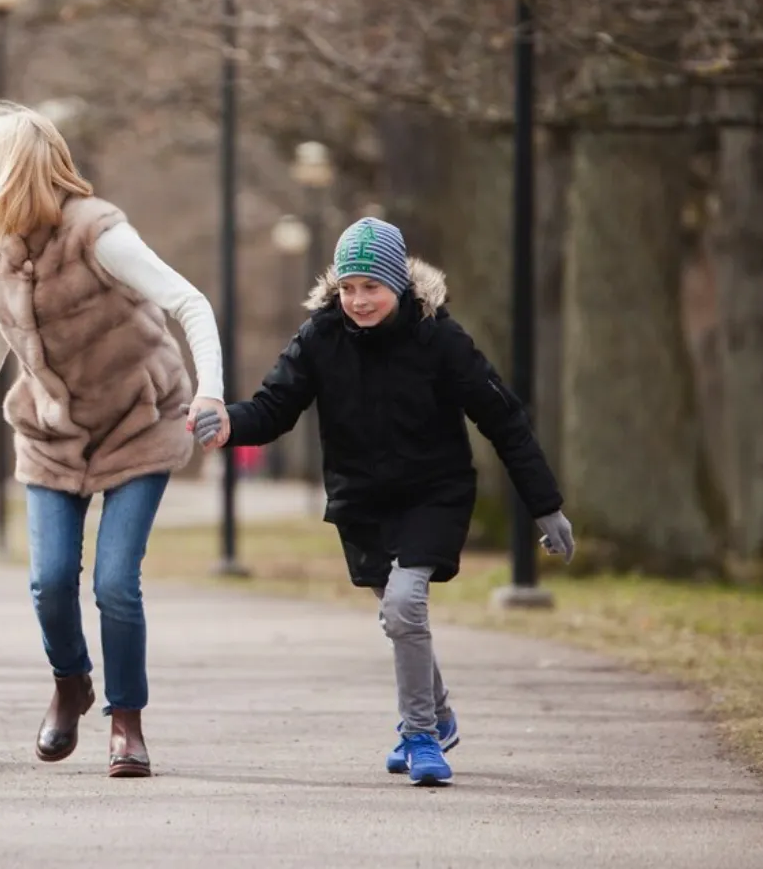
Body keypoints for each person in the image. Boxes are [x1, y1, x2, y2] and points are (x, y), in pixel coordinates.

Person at [202, 216, 576, 786]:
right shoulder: (320, 337)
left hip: (434, 492)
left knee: (404, 604)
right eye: (347, 288)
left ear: (398, 283)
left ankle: (420, 733)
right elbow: (275, 407)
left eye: (370, 287)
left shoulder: (439, 338)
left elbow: (505, 421)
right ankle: (441, 713)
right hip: (362, 500)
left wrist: (545, 506)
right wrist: (229, 423)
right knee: (398, 616)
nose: (357, 301)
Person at [0, 102, 226, 778]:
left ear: (14, 170)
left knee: (117, 583)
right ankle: (71, 682)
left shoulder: (97, 233)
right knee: (50, 581)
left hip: (137, 422)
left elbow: (190, 303)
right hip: (51, 432)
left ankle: (126, 722)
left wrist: (209, 389)